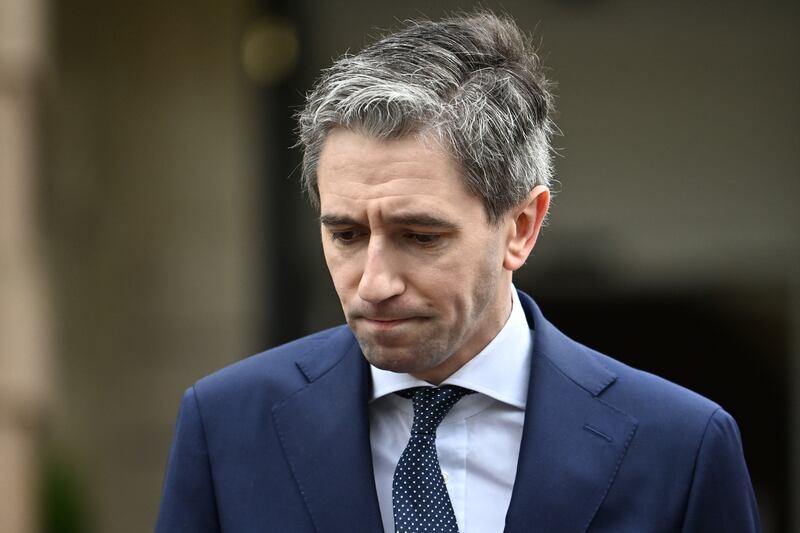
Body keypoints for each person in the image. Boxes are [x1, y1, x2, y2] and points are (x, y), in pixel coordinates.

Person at [155, 11, 760, 533]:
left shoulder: (681, 447)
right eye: (345, 234)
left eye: (420, 237)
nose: (373, 282)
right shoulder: (226, 426)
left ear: (521, 226)